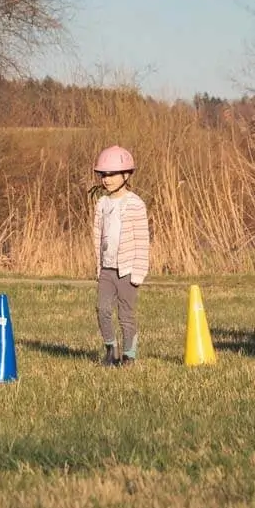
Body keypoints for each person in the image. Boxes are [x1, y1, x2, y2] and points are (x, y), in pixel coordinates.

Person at [92, 146, 150, 367]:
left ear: (126, 175)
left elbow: (142, 241)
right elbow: (97, 236)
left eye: (112, 174)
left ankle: (129, 356)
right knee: (103, 309)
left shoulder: (135, 204)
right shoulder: (102, 203)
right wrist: (98, 267)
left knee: (126, 315)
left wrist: (138, 272)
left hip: (127, 270)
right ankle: (111, 350)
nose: (107, 180)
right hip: (107, 269)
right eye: (103, 175)